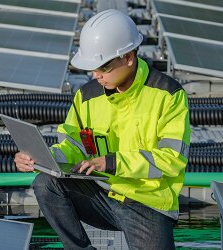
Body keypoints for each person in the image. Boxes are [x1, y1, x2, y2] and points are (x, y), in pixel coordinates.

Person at [13, 9, 191, 250]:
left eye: (103, 67)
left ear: (128, 57)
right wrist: (45, 158)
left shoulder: (168, 95)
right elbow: (74, 144)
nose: (95, 75)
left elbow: (172, 160)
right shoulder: (86, 96)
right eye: (92, 68)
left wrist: (111, 162)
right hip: (100, 195)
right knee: (46, 183)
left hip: (149, 204)